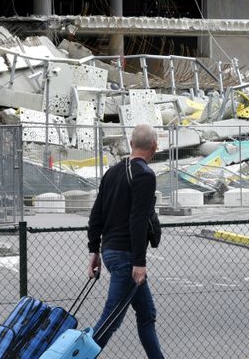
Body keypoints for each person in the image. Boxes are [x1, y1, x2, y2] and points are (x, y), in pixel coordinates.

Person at [86, 122, 165, 358]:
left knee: (146, 313)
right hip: (127, 256)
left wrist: (94, 251)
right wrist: (140, 262)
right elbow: (138, 220)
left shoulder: (112, 172)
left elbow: (96, 214)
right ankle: (78, 355)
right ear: (154, 146)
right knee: (110, 319)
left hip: (111, 251)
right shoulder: (145, 175)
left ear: (131, 144)